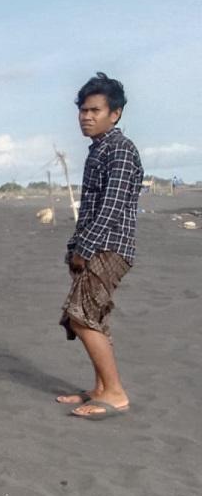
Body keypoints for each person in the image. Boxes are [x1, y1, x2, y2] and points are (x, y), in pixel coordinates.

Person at [55, 73, 143, 419]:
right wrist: (74, 247)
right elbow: (90, 208)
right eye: (82, 110)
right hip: (93, 246)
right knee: (94, 316)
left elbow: (112, 206)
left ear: (115, 113)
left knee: (82, 317)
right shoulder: (99, 150)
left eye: (94, 110)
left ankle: (116, 393)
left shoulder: (120, 150)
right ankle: (100, 388)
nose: (86, 117)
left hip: (108, 247)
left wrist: (84, 248)